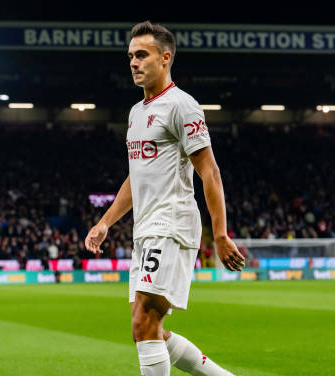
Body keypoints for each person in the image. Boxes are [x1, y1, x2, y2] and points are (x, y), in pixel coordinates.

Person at [85, 21, 245, 376]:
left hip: (171, 224)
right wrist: (105, 222)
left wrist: (220, 234)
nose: (133, 62)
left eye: (142, 55)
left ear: (165, 58)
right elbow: (137, 176)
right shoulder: (136, 113)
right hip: (145, 229)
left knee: (145, 321)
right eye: (131, 56)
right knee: (144, 329)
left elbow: (210, 171)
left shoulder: (182, 106)